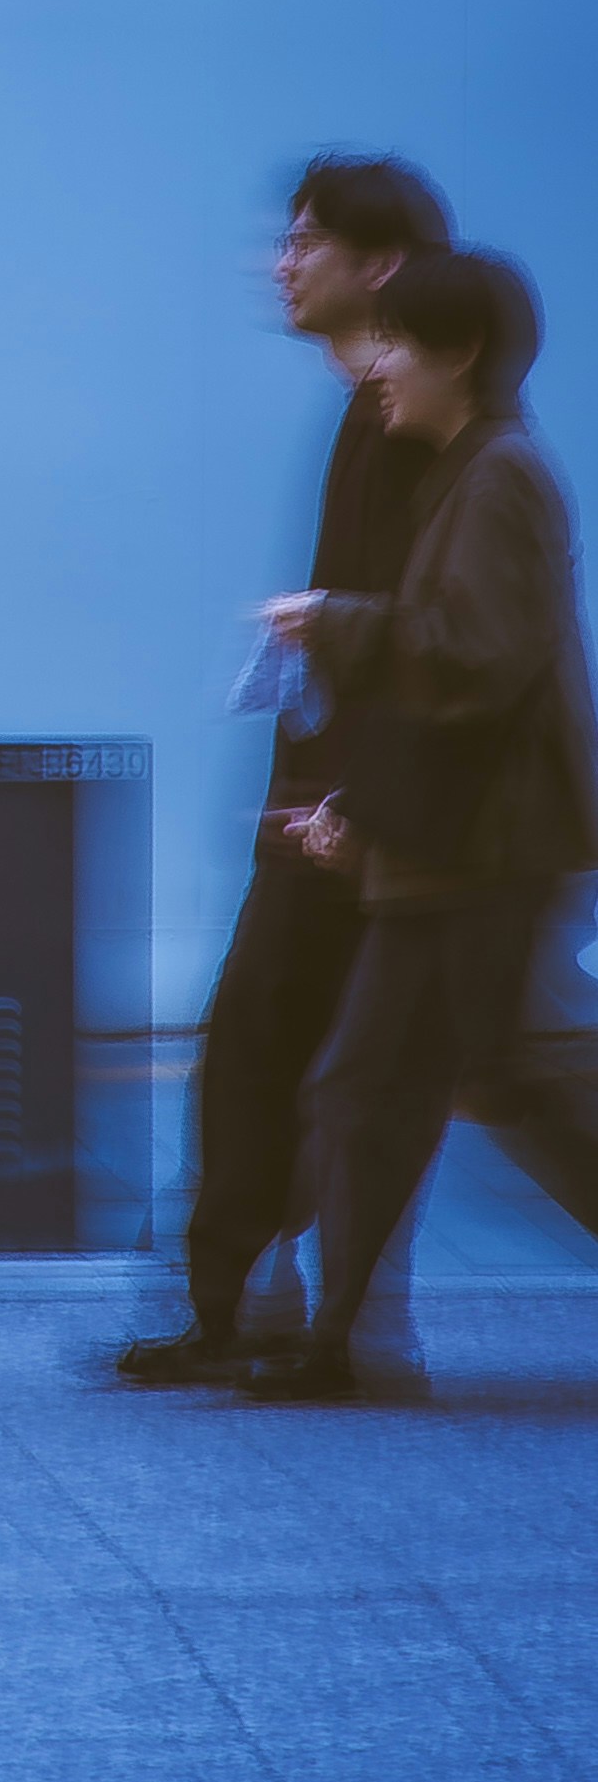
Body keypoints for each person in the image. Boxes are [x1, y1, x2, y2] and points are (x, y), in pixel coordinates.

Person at [118, 155, 451, 1386]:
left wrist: (351, 798)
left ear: (379, 264)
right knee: (269, 1045)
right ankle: (251, 1304)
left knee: (325, 1059)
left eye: (305, 240)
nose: (280, 261)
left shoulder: (406, 426)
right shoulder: (368, 414)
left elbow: (429, 634)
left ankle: (295, 1317)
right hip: (327, 801)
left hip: (365, 813)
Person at [247, 250, 598, 1402]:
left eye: (397, 342)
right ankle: (342, 1344)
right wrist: (358, 805)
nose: (378, 366)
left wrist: (332, 622)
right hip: (457, 850)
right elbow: (455, 676)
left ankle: (343, 1344)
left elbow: (472, 662)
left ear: (459, 352)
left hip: (485, 854)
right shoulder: (469, 472)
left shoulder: (498, 477)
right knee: (388, 1086)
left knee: (468, 1082)